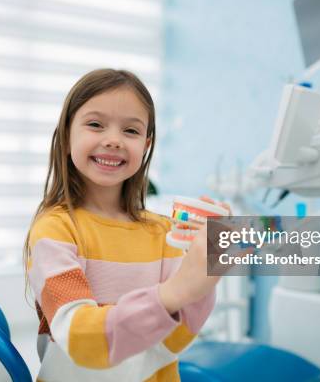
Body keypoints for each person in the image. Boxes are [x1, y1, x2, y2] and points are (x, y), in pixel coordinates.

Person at [24, 68, 228, 381]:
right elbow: (79, 338)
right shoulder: (54, 231)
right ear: (66, 137)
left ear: (146, 146)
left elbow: (177, 336)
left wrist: (211, 262)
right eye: (95, 125)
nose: (114, 140)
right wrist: (175, 292)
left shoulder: (161, 232)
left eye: (130, 131)